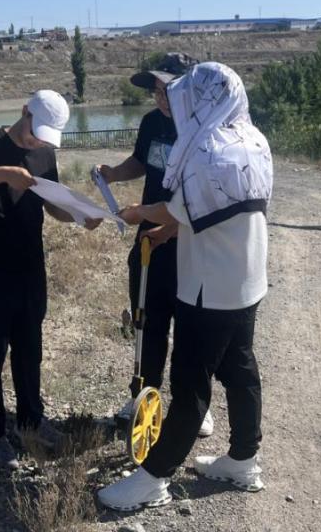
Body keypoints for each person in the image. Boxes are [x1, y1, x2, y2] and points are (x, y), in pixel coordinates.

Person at [98, 62, 273, 511]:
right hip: (246, 277)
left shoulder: (207, 150)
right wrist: (165, 231)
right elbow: (205, 211)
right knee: (239, 368)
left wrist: (139, 214)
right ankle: (244, 460)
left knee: (191, 384)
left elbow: (173, 208)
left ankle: (153, 478)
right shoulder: (252, 139)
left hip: (208, 285)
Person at [0, 90, 101, 469]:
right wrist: (3, 173)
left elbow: (51, 203)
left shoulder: (45, 152)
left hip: (30, 265)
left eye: (45, 137)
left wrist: (80, 216)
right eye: (35, 132)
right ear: (24, 112)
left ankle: (31, 420)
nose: (37, 142)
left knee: (30, 347)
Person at [96, 52, 215, 437]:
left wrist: (172, 224)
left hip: (191, 240)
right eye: (156, 90)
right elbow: (141, 162)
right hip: (150, 238)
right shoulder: (151, 123)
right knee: (147, 320)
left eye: (168, 89)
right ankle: (144, 395)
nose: (161, 97)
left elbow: (208, 194)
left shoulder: (204, 127)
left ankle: (194, 404)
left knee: (191, 325)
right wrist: (114, 174)